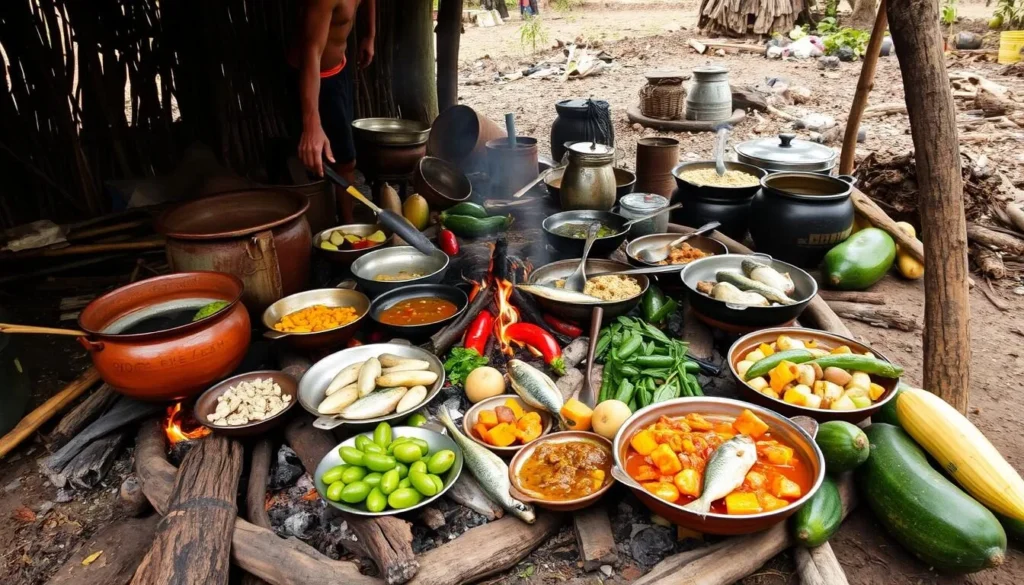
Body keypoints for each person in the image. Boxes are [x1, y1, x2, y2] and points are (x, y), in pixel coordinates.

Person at [290, 0, 376, 222]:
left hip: (339, 69)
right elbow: (312, 52)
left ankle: (347, 223)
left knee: (343, 158)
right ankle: (343, 227)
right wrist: (312, 124)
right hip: (314, 78)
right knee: (335, 161)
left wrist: (370, 35)